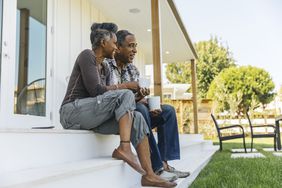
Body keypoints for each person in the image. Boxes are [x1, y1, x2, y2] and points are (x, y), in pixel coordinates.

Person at [59, 23, 176, 187]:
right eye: (114, 43)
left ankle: (149, 175)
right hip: (71, 113)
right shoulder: (87, 56)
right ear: (103, 43)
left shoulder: (104, 68)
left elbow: (112, 100)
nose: (115, 47)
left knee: (138, 118)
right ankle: (125, 148)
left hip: (92, 117)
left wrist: (136, 97)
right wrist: (127, 86)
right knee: (126, 93)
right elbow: (96, 91)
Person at [107, 29, 190, 182]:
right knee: (140, 109)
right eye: (131, 46)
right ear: (118, 47)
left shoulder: (133, 69)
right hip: (120, 118)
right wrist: (136, 98)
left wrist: (144, 98)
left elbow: (136, 97)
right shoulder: (107, 65)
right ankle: (156, 168)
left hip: (138, 111)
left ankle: (165, 163)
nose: (135, 50)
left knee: (168, 111)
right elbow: (110, 97)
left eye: (136, 46)